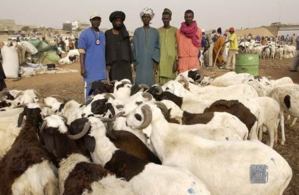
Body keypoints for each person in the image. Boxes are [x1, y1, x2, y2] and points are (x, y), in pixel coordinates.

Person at [78, 13, 106, 100]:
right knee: (89, 92)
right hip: (90, 69)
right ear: (90, 21)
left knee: (100, 93)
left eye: (98, 19)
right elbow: (82, 52)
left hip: (101, 70)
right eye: (94, 19)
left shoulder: (102, 35)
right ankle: (87, 108)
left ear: (100, 21)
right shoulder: (84, 34)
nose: (96, 21)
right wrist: (82, 67)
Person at [133, 8, 160, 86]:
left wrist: (155, 61)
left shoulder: (155, 32)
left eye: (148, 17)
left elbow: (157, 47)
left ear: (150, 18)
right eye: (144, 17)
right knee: (139, 84)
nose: (146, 18)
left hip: (150, 62)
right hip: (139, 62)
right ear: (142, 18)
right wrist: (135, 61)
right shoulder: (137, 31)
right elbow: (134, 47)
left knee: (150, 83)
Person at [105, 11, 133, 82]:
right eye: (116, 21)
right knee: (115, 86)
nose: (118, 23)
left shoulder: (125, 34)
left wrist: (131, 63)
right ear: (112, 22)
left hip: (125, 65)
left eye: (120, 21)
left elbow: (129, 48)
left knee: (127, 85)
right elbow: (106, 49)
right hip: (114, 66)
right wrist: (107, 64)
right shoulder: (107, 34)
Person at [158, 8, 177, 84]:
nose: (165, 20)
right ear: (162, 19)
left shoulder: (176, 31)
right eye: (164, 18)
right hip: (161, 62)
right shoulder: (158, 31)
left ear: (170, 18)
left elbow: (177, 47)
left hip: (172, 62)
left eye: (167, 18)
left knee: (171, 85)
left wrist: (176, 61)